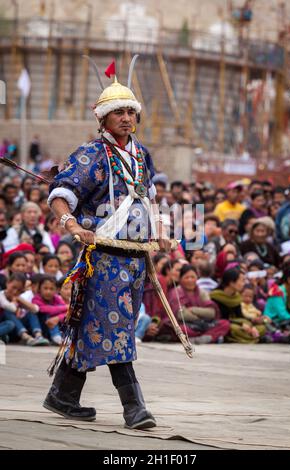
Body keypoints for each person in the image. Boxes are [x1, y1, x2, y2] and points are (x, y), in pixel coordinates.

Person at [43, 61, 170, 428]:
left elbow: (150, 198)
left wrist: (159, 227)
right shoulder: (91, 154)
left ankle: (63, 394)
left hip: (134, 260)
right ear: (103, 119)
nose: (126, 118)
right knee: (114, 328)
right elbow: (61, 193)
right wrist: (71, 223)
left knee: (96, 326)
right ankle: (135, 407)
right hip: (103, 258)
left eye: (131, 111)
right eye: (118, 112)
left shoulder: (142, 155)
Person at [168, 265, 230, 344]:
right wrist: (200, 318)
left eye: (193, 277)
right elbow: (182, 315)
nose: (190, 280)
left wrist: (193, 310)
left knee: (225, 324)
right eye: (187, 277)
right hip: (187, 325)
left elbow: (211, 313)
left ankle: (200, 338)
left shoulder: (202, 292)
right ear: (180, 279)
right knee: (180, 329)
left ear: (197, 278)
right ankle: (210, 337)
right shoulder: (176, 292)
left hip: (204, 324)